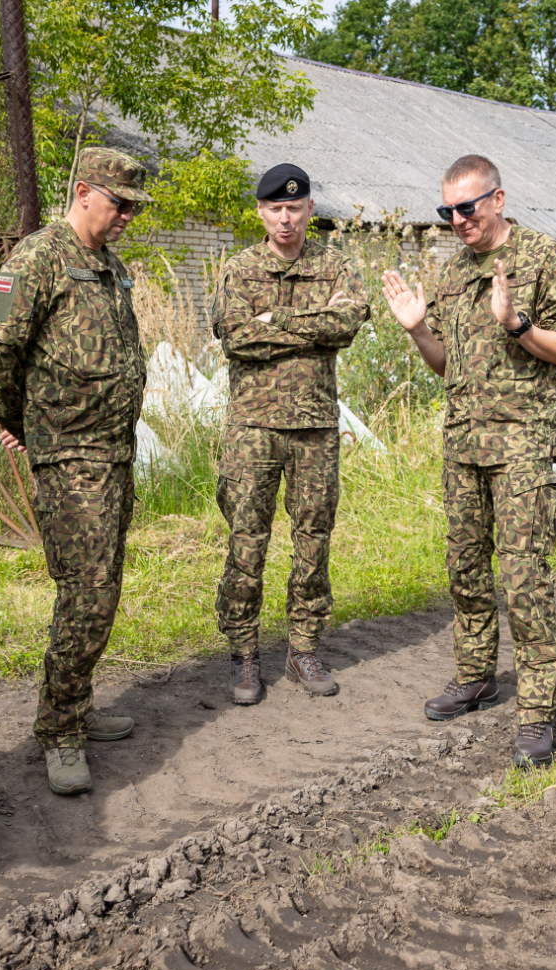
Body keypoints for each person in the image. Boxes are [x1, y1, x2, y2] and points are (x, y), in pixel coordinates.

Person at [382, 155, 556, 768]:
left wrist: (517, 323)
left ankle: (538, 709)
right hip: (463, 444)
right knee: (466, 568)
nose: (457, 221)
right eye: (446, 212)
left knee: (524, 576)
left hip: (521, 443)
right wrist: (418, 330)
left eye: (466, 208)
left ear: (498, 199)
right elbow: (448, 364)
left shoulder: (546, 258)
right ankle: (476, 676)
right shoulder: (450, 274)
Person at [0, 147, 150, 796]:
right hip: (70, 457)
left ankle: (75, 703)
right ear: (83, 192)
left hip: (113, 452)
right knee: (88, 591)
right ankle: (61, 730)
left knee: (100, 590)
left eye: (134, 206)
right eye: (119, 203)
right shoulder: (39, 258)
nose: (128, 215)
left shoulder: (107, 264)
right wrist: (22, 423)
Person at [210, 164, 370, 704]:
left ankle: (303, 647)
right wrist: (305, 327)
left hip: (314, 427)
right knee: (246, 541)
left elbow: (345, 324)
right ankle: (244, 654)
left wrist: (272, 322)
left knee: (313, 540)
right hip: (253, 427)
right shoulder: (240, 268)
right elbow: (234, 337)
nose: (286, 218)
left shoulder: (335, 264)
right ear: (261, 212)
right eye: (276, 208)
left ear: (309, 211)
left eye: (295, 208)